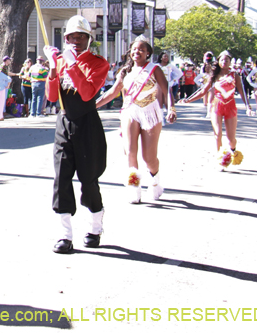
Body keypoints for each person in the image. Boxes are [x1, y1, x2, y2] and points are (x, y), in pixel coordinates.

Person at [46, 15, 110, 254]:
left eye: (81, 37)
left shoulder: (98, 63)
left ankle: (95, 226)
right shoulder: (61, 61)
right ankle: (65, 234)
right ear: (65, 38)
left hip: (87, 124)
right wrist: (54, 68)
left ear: (88, 40)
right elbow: (52, 97)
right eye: (72, 36)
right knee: (61, 178)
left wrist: (72, 65)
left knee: (88, 179)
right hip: (64, 122)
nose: (76, 41)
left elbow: (86, 94)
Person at [97, 36, 176, 203]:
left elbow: (166, 89)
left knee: (149, 157)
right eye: (134, 49)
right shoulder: (125, 72)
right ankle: (134, 186)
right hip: (130, 111)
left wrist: (171, 108)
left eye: (141, 49)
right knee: (130, 151)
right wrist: (92, 105)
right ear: (130, 52)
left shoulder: (154, 69)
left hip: (150, 112)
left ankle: (155, 181)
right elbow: (112, 92)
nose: (137, 52)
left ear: (148, 53)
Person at [182, 51, 250, 168]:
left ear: (230, 62)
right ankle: (221, 159)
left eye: (227, 60)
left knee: (231, 138)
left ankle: (232, 150)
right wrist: (187, 100)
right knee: (217, 134)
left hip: (230, 106)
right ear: (218, 61)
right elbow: (203, 91)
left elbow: (242, 91)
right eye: (222, 60)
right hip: (217, 106)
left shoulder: (235, 75)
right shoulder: (213, 75)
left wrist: (247, 106)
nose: (224, 62)